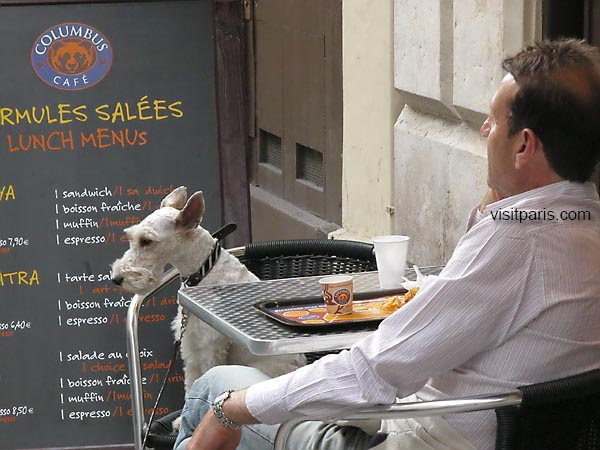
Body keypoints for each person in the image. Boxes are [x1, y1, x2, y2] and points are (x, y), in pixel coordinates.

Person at [174, 38, 600, 450]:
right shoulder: (579, 223)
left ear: (524, 144)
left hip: (426, 438)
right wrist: (504, 191)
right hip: (482, 425)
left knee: (213, 391)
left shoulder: (517, 238)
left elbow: (373, 372)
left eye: (493, 120)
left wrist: (230, 411)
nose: (484, 129)